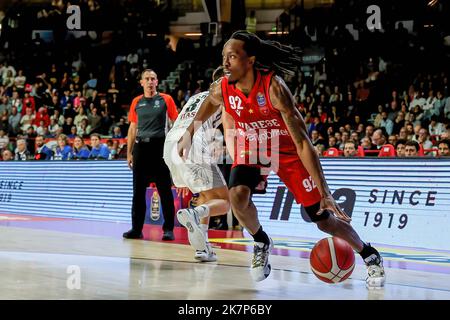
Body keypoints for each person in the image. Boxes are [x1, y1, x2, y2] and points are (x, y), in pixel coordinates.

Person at [177, 31, 385, 288]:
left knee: (323, 221)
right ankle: (261, 240)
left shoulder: (274, 88)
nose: (226, 63)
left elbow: (303, 143)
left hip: (286, 151)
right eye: (224, 57)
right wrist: (189, 133)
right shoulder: (223, 86)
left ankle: (369, 255)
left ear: (250, 60)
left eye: (232, 56)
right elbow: (209, 102)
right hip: (251, 148)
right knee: (237, 197)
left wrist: (325, 191)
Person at [164, 67, 230, 262]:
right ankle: (193, 213)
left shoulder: (195, 97)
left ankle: (203, 247)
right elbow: (227, 121)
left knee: (205, 196)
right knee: (224, 201)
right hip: (193, 141)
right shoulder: (225, 92)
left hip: (171, 144)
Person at [124, 69, 179, 241]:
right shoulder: (136, 102)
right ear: (141, 82)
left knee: (165, 191)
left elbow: (176, 122)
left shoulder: (166, 99)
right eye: (146, 79)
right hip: (141, 149)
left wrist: (175, 146)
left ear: (157, 82)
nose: (150, 82)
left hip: (160, 149)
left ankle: (168, 229)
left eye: (153, 79)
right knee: (138, 192)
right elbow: (132, 128)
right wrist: (129, 152)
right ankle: (136, 229)